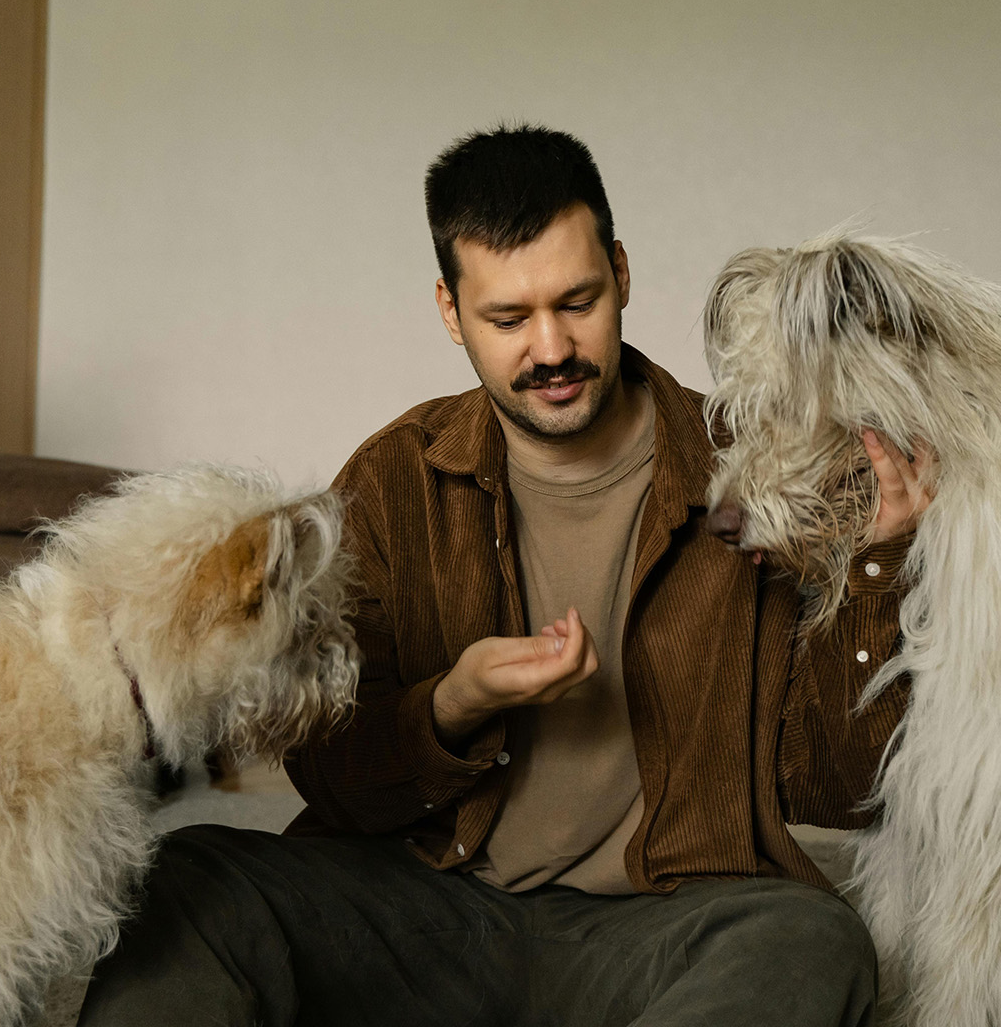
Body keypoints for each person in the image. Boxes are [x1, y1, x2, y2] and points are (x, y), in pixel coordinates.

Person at [76, 126, 931, 1027]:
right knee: (190, 879)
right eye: (509, 319)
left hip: (666, 920)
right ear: (451, 312)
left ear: (624, 275)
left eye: (578, 301)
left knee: (810, 940)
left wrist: (880, 565)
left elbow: (843, 788)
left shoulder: (752, 476)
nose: (552, 347)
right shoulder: (396, 475)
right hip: (431, 910)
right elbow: (331, 774)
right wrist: (452, 706)